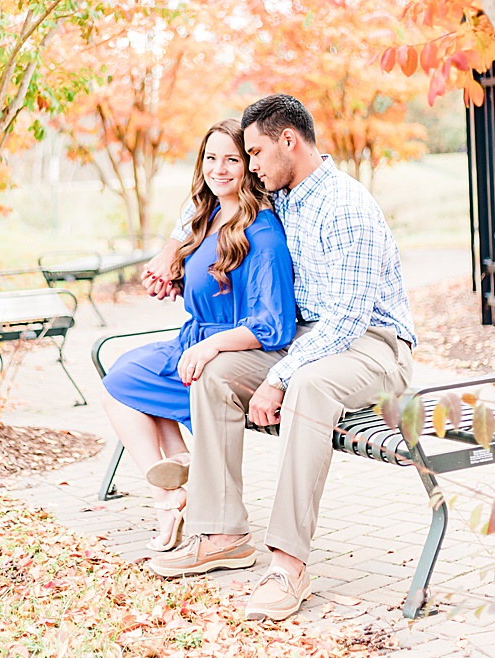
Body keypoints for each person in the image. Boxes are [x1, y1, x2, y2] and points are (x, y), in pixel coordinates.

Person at [141, 95, 416, 623]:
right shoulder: (284, 194)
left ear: (289, 142)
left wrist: (279, 378)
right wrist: (172, 252)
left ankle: (288, 566)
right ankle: (221, 531)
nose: (251, 165)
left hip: (374, 346)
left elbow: (345, 321)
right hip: (309, 342)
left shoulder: (346, 206)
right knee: (216, 374)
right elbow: (205, 203)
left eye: (256, 153)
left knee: (309, 386)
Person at [101, 119, 295, 552]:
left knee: (126, 385)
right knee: (122, 378)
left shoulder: (262, 234)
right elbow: (209, 277)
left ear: (249, 166)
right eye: (211, 158)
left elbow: (273, 325)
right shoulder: (205, 217)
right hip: (191, 341)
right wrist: (178, 282)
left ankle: (172, 495)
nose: (219, 169)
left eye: (232, 159)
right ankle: (170, 492)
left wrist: (213, 345)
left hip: (226, 353)